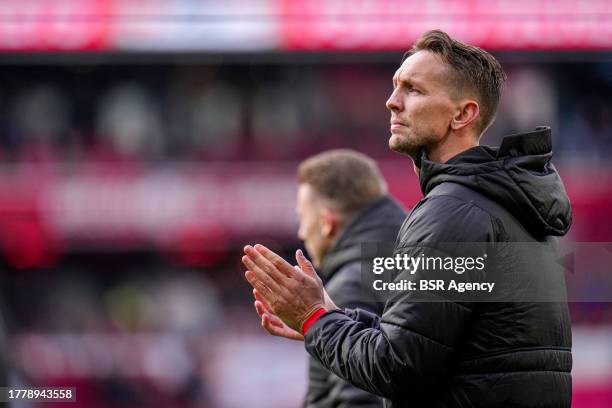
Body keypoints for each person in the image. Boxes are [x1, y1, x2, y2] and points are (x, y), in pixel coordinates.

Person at [243, 29, 572, 407]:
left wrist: (315, 318)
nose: (391, 102)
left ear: (463, 114)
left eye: (413, 90)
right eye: (395, 86)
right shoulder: (504, 204)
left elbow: (398, 367)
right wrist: (334, 317)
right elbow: (440, 347)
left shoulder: (453, 212)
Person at [254, 149, 406, 407]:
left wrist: (316, 319)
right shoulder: (420, 259)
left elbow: (357, 400)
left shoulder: (350, 285)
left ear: (326, 222)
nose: (302, 232)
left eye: (302, 218)